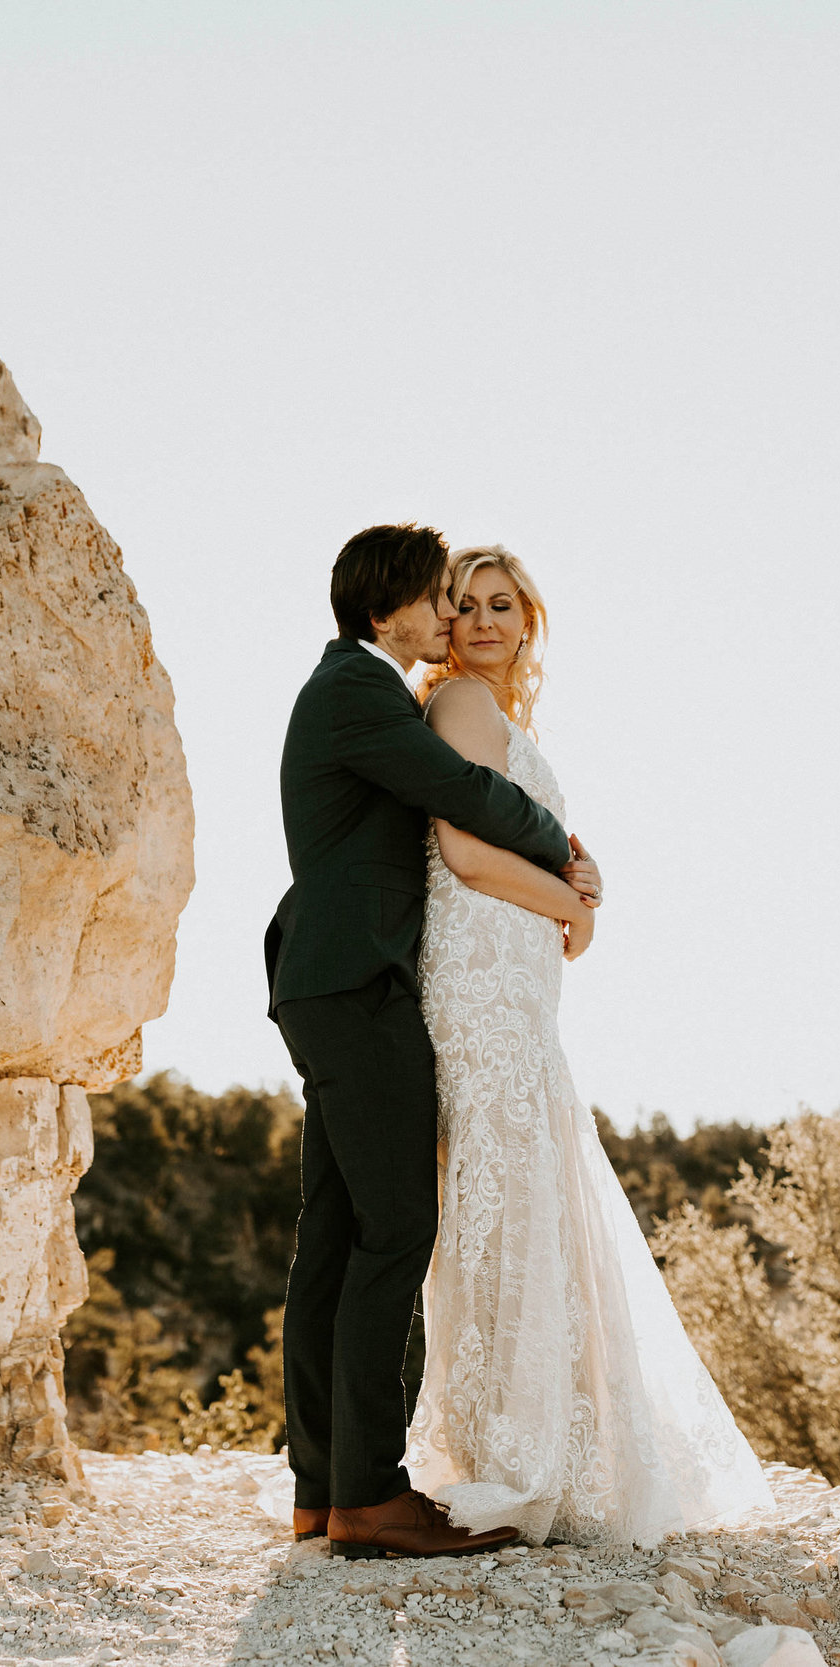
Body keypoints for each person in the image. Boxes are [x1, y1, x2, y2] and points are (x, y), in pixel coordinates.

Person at [405, 544, 772, 1548]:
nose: (482, 621)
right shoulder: (458, 705)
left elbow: (515, 830)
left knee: (524, 1191)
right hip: (479, 980)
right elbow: (464, 849)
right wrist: (571, 901)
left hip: (515, 983)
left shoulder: (499, 716)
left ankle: (538, 1444)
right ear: (446, 620)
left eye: (500, 604)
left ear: (528, 617)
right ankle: (505, 1450)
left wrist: (577, 863)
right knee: (499, 1196)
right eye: (465, 605)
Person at [265, 523, 602, 1559]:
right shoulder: (360, 691)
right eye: (439, 598)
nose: (452, 616)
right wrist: (573, 861)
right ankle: (366, 1490)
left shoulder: (358, 688)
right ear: (388, 610)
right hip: (358, 981)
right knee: (395, 1226)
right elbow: (461, 803)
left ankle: (323, 1486)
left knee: (334, 1234)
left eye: (481, 603)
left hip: (340, 976)